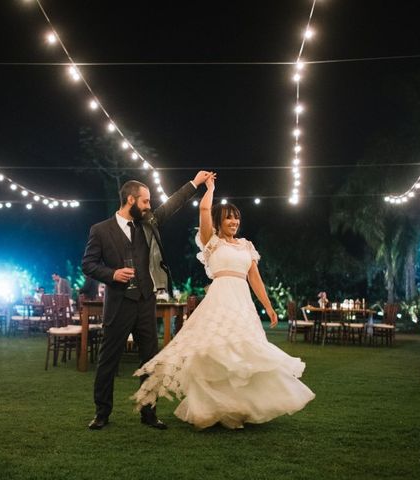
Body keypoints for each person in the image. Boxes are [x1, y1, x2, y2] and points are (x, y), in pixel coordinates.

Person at [132, 175, 315, 429]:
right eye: (229, 217)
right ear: (219, 221)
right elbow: (205, 209)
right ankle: (213, 409)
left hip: (243, 305)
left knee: (243, 356)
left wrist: (270, 307)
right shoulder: (211, 242)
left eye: (236, 217)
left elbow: (256, 279)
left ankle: (240, 409)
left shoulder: (246, 246)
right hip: (218, 302)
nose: (234, 221)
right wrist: (210, 188)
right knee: (216, 354)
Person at [82, 170, 214, 430]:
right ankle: (102, 414)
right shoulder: (100, 230)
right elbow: (88, 264)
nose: (149, 205)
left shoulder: (149, 222)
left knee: (150, 361)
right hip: (118, 304)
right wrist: (112, 274)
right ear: (130, 200)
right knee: (108, 361)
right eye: (145, 201)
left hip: (145, 303)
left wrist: (196, 183)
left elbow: (172, 204)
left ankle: (149, 413)